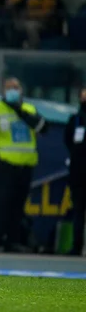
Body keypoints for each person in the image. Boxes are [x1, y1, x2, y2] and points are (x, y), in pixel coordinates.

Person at [0, 78, 47, 252]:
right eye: (9, 88)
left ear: (21, 90)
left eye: (16, 87)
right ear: (3, 91)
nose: (13, 90)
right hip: (6, 164)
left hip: (26, 164)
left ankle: (13, 241)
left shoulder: (29, 109)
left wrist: (21, 111)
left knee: (18, 205)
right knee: (2, 203)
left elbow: (43, 128)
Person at [63, 87, 86, 256]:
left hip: (78, 170)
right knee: (78, 211)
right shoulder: (75, 119)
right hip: (78, 173)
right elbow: (68, 141)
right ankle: (76, 245)